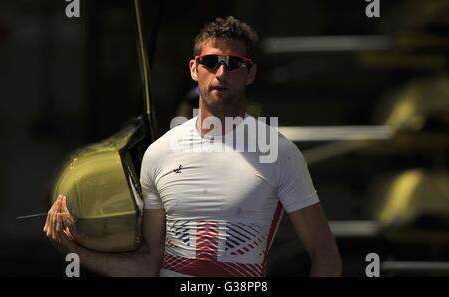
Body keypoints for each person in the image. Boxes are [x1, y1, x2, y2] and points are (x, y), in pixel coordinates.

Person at [44, 16, 342, 277]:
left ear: (250, 73)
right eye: (210, 62)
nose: (221, 73)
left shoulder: (278, 152)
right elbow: (150, 264)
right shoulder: (159, 153)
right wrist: (74, 250)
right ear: (193, 69)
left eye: (234, 64)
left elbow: (326, 258)